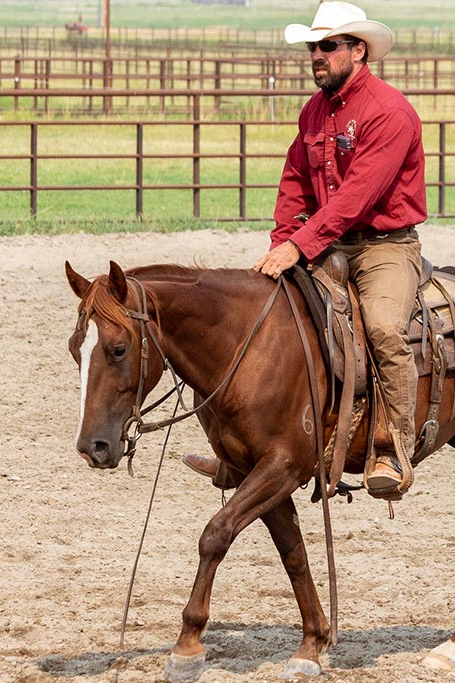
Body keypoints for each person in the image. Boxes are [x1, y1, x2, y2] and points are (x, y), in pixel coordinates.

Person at [183, 1, 427, 498]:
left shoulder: (390, 112)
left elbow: (360, 195)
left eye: (327, 46)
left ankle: (393, 447)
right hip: (327, 239)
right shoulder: (314, 111)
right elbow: (294, 181)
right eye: (312, 46)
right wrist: (281, 244)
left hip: (384, 246)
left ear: (358, 51)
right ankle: (259, 448)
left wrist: (299, 245)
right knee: (274, 316)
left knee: (382, 328)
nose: (316, 55)